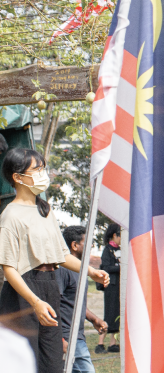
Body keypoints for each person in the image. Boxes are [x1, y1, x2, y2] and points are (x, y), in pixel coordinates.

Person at [0, 148, 109, 373]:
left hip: (49, 288)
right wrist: (35, 302)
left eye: (43, 168)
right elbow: (9, 269)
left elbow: (60, 255)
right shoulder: (10, 215)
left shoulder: (45, 210)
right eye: (36, 169)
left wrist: (90, 271)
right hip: (22, 294)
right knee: (25, 363)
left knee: (52, 363)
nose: (42, 174)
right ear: (17, 177)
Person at [57, 225, 108, 373]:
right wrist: (59, 338)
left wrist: (94, 319)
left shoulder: (81, 270)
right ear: (74, 245)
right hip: (67, 336)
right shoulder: (63, 270)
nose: (91, 246)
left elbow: (75, 302)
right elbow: (53, 303)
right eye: (87, 242)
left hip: (77, 336)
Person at [96, 223, 120, 354]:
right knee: (109, 314)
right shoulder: (107, 250)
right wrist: (120, 267)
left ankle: (113, 343)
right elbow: (106, 267)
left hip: (119, 287)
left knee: (117, 314)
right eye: (120, 236)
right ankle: (100, 344)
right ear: (114, 235)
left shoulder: (119, 250)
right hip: (111, 286)